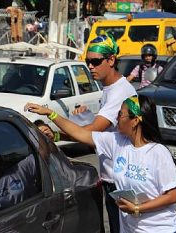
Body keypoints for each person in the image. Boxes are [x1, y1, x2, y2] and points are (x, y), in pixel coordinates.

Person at [24, 95, 176, 233]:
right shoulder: (116, 141)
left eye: (121, 114)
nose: (116, 118)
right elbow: (80, 133)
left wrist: (138, 208)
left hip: (159, 229)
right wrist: (51, 114)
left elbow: (172, 196)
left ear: (135, 121)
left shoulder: (158, 153)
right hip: (130, 228)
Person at [31, 33, 137, 233]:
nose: (90, 67)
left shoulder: (120, 92)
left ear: (111, 60)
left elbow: (90, 133)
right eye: (87, 61)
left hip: (121, 180)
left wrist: (52, 117)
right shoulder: (109, 89)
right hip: (113, 177)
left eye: (95, 62)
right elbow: (98, 133)